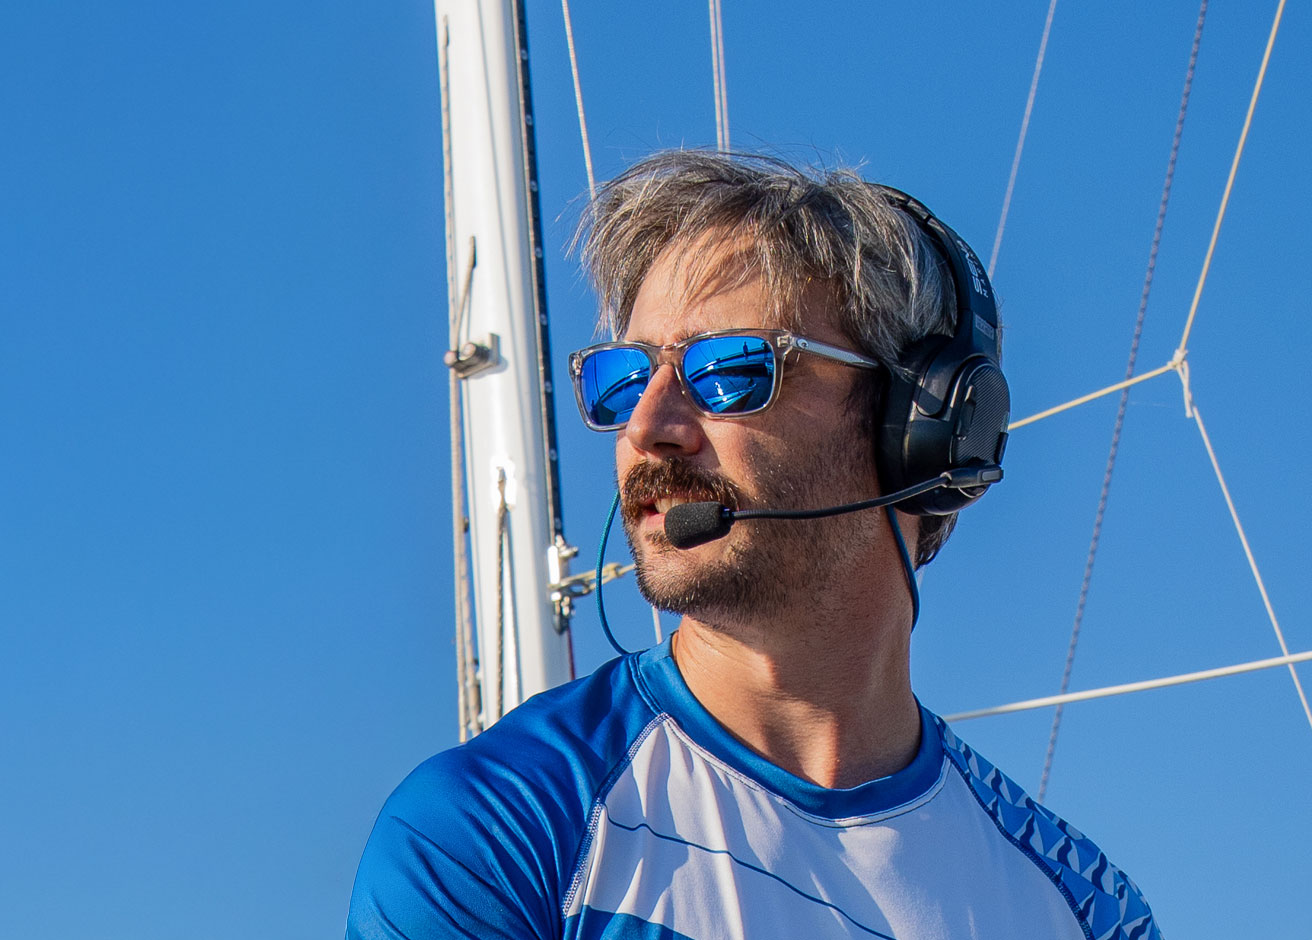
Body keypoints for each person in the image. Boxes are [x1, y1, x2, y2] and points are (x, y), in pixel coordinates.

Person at [346, 151, 1162, 940]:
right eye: (624, 379)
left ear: (922, 424)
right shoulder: (498, 829)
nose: (648, 427)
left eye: (729, 369)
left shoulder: (1085, 910)